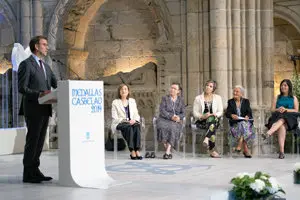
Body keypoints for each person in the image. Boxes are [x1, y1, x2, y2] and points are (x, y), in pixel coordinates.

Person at [18, 35, 57, 183]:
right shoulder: (26, 64)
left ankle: (35, 170)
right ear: (36, 46)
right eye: (44, 44)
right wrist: (40, 94)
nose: (47, 47)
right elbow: (22, 88)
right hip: (33, 108)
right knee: (33, 141)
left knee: (40, 142)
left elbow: (56, 84)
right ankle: (28, 173)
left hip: (45, 108)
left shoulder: (46, 66)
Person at [264, 79, 299, 159]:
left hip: (290, 119)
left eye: (285, 85)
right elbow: (272, 109)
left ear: (289, 87)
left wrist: (286, 109)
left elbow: (296, 110)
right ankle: (281, 152)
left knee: (283, 118)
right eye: (282, 85)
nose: (283, 87)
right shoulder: (277, 97)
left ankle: (269, 132)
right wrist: (278, 109)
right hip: (277, 118)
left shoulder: (294, 98)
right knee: (282, 125)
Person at [111, 84, 142, 160]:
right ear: (119, 92)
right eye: (121, 89)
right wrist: (126, 121)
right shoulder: (115, 102)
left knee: (136, 126)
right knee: (129, 127)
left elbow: (136, 114)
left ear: (128, 91)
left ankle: (136, 149)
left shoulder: (132, 101)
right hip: (120, 123)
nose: (123, 90)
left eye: (125, 89)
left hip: (131, 122)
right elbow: (114, 117)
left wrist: (134, 120)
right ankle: (132, 150)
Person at [193, 80, 223, 158]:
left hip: (214, 120)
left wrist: (215, 114)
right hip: (202, 121)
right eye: (207, 85)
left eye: (210, 86)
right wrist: (203, 116)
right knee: (212, 126)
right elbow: (195, 112)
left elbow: (220, 111)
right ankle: (212, 150)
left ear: (213, 89)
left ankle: (206, 139)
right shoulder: (198, 98)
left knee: (212, 120)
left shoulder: (218, 98)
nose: (208, 87)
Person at [157, 83, 185, 159]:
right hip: (164, 119)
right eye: (171, 88)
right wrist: (171, 116)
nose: (172, 89)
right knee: (162, 127)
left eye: (174, 88)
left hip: (176, 121)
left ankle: (167, 151)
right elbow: (162, 110)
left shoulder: (181, 100)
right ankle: (168, 150)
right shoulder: (165, 98)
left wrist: (179, 117)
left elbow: (183, 113)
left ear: (178, 91)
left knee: (173, 127)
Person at [225, 85, 255, 158]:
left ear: (241, 94)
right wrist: (232, 115)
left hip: (246, 124)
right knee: (242, 125)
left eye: (237, 91)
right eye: (234, 91)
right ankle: (245, 149)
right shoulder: (230, 102)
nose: (235, 93)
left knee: (243, 123)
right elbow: (227, 113)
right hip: (235, 125)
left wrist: (247, 116)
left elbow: (249, 112)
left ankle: (240, 144)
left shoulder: (246, 101)